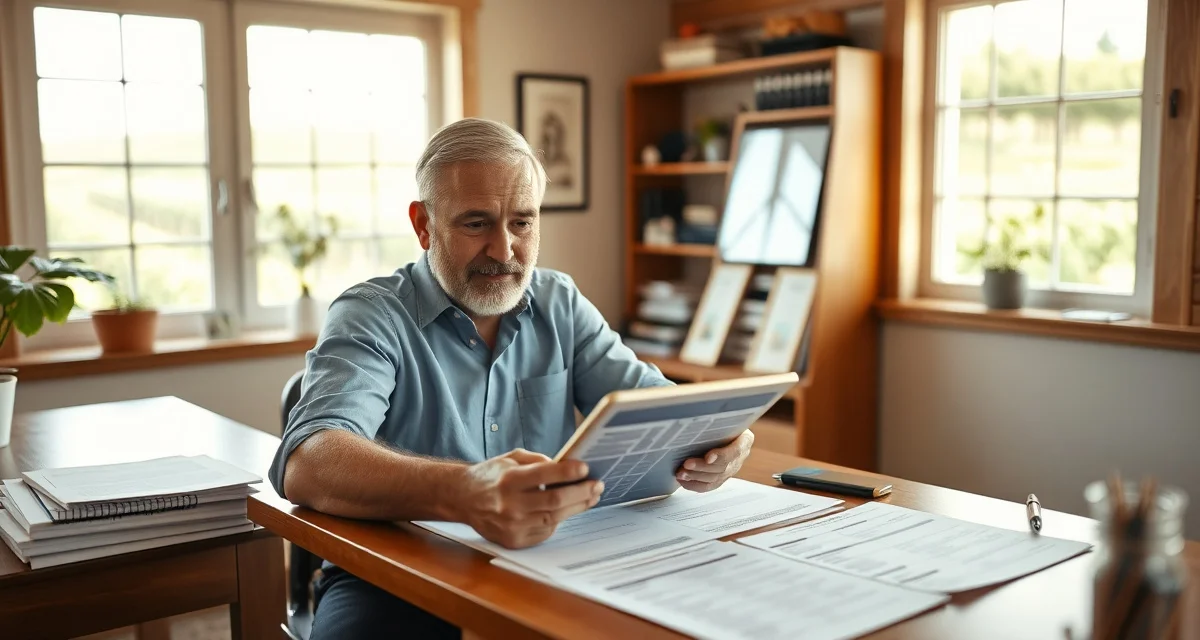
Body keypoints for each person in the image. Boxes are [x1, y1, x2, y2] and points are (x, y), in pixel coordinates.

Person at [268, 117, 756, 638]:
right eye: (476, 224)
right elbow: (307, 462)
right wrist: (464, 491)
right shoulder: (371, 315)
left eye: (522, 223)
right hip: (394, 575)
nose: (503, 251)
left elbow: (657, 405)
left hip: (556, 560)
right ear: (423, 225)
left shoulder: (559, 302)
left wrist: (723, 434)